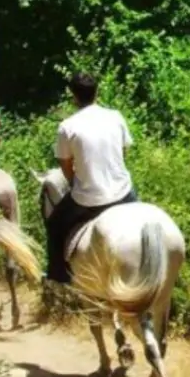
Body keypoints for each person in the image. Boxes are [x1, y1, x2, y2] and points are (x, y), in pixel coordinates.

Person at [45, 71, 138, 284]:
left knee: (55, 225)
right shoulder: (116, 116)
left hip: (88, 198)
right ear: (97, 91)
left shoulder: (67, 126)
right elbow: (124, 153)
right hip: (123, 192)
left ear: (73, 96)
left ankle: (58, 276)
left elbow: (66, 165)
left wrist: (74, 182)